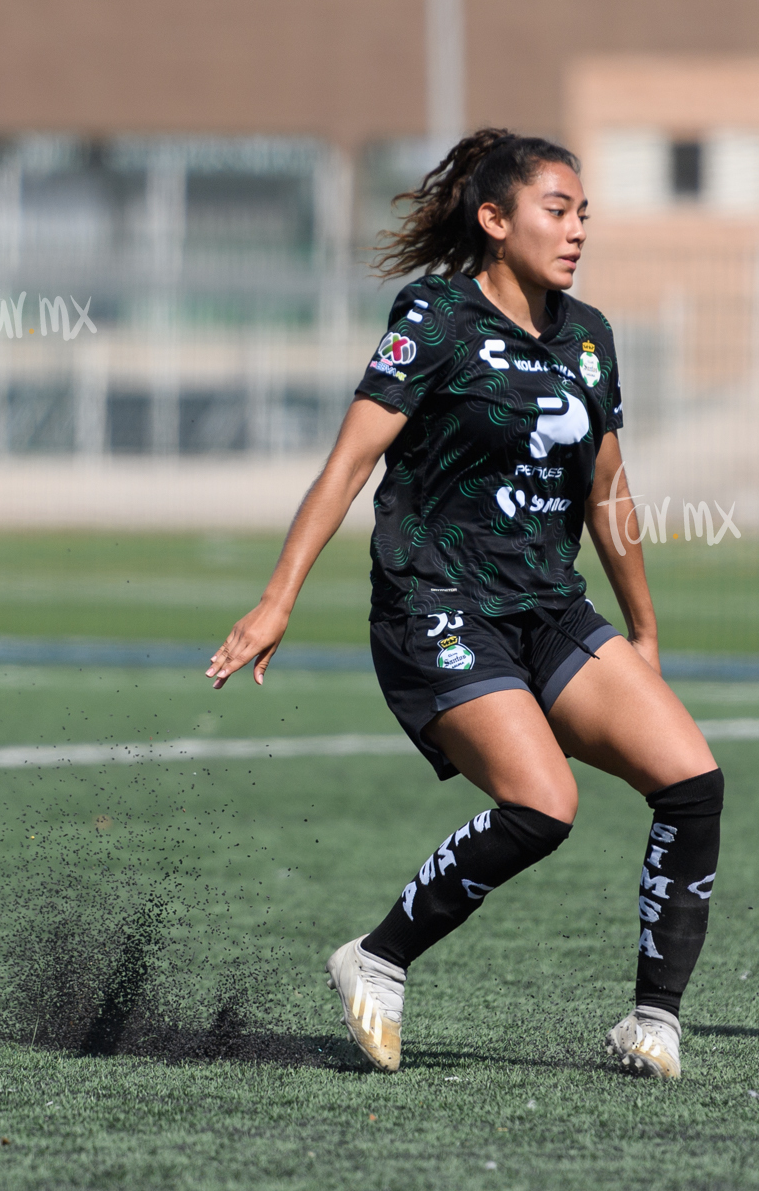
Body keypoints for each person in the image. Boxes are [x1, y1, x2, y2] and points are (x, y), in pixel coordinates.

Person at [208, 129, 721, 1079]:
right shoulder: (434, 315)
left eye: (583, 215)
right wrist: (278, 597)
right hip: (435, 601)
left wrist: (644, 629)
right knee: (544, 804)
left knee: (692, 783)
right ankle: (378, 956)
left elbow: (609, 493)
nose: (575, 232)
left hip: (548, 607)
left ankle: (652, 1021)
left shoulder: (589, 336)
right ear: (495, 219)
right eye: (556, 211)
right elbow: (349, 462)